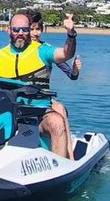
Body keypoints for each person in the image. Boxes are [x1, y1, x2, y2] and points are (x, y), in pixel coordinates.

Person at [0, 11, 77, 159]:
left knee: (56, 121)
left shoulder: (42, 50)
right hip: (5, 112)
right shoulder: (0, 55)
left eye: (25, 29)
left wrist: (71, 34)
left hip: (36, 114)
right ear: (9, 30)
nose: (21, 33)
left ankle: (60, 170)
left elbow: (66, 53)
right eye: (16, 29)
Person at [26, 10, 82, 148]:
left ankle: (69, 158)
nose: (35, 33)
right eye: (31, 29)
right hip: (22, 98)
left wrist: (75, 70)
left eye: (38, 29)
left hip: (42, 99)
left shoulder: (47, 50)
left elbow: (72, 76)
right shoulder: (16, 50)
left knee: (60, 109)